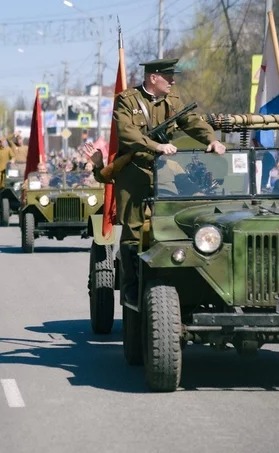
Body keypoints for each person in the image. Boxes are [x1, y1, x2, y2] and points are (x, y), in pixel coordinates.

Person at [97, 58, 226, 306]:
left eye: (173, 77)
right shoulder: (128, 100)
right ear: (153, 78)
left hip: (165, 168)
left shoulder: (173, 99)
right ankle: (131, 288)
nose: (173, 81)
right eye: (168, 77)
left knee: (190, 211)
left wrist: (210, 139)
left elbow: (191, 121)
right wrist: (156, 145)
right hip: (135, 169)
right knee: (133, 231)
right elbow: (126, 133)